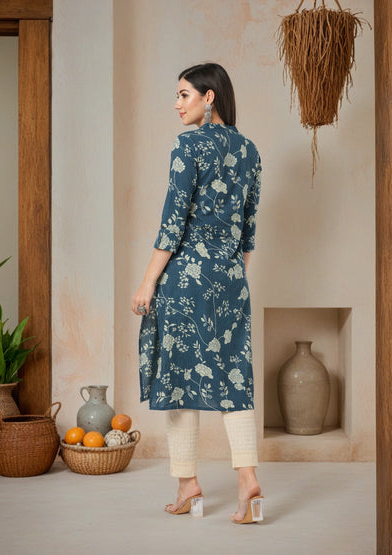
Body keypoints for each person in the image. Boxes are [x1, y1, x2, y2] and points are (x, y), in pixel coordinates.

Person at [132, 63, 263, 524]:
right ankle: (248, 480)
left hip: (186, 280)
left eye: (184, 94)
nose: (177, 104)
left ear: (210, 97)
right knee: (234, 376)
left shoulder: (188, 145)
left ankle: (188, 483)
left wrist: (148, 281)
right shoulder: (250, 150)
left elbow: (173, 222)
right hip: (231, 280)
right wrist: (230, 277)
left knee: (178, 379)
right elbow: (248, 232)